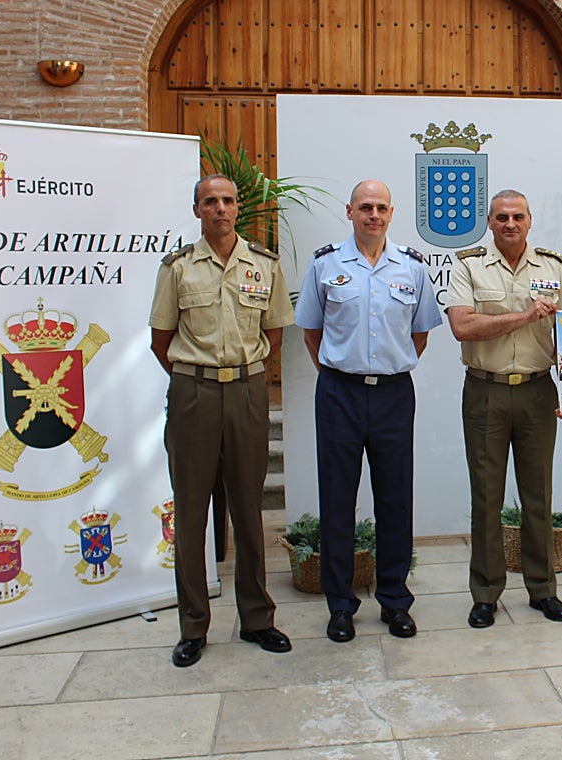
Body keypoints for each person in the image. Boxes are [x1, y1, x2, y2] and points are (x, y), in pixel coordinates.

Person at [149, 173, 295, 668]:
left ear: (239, 209)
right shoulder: (178, 269)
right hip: (193, 391)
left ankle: (257, 619)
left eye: (228, 201)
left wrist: (241, 374)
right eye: (210, 201)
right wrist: (200, 377)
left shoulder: (265, 266)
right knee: (191, 510)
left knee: (248, 508)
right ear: (196, 211)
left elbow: (274, 334)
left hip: (248, 391)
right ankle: (193, 626)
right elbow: (160, 341)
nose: (220, 209)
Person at [295, 179, 442, 643]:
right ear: (350, 211)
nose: (373, 215)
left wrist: (388, 366)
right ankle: (340, 605)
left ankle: (395, 601)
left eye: (380, 207)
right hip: (338, 392)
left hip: (394, 395)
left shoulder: (412, 267)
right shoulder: (324, 265)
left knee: (396, 499)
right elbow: (312, 332)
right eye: (364, 207)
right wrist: (344, 372)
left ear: (391, 213)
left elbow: (420, 334)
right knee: (337, 501)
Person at [446, 189, 562, 629]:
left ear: (530, 219)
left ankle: (542, 590)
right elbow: (463, 326)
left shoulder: (553, 266)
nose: (509, 223)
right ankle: (485, 593)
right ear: (489, 222)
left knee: (538, 494)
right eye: (501, 217)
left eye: (517, 216)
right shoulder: (468, 265)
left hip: (538, 392)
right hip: (486, 391)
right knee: (487, 497)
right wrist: (524, 316)